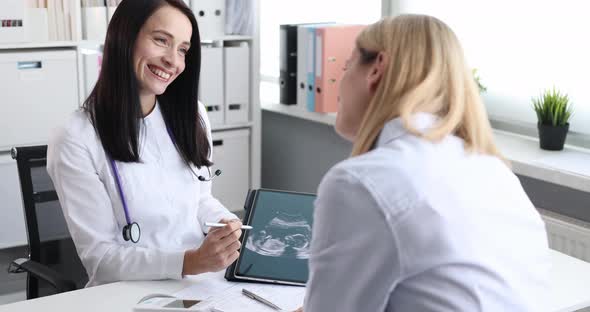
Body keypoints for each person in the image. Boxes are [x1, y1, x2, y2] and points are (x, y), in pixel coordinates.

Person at [302, 15, 549, 311]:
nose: (338, 83)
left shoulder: (360, 182)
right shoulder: (493, 169)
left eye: (346, 66)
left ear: (376, 69)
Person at [47, 0, 243, 287]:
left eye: (183, 50)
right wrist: (189, 261)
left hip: (198, 284)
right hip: (128, 293)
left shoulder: (193, 116)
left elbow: (199, 199)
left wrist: (225, 223)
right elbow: (101, 260)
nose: (173, 61)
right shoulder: (75, 137)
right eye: (161, 40)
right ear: (125, 37)